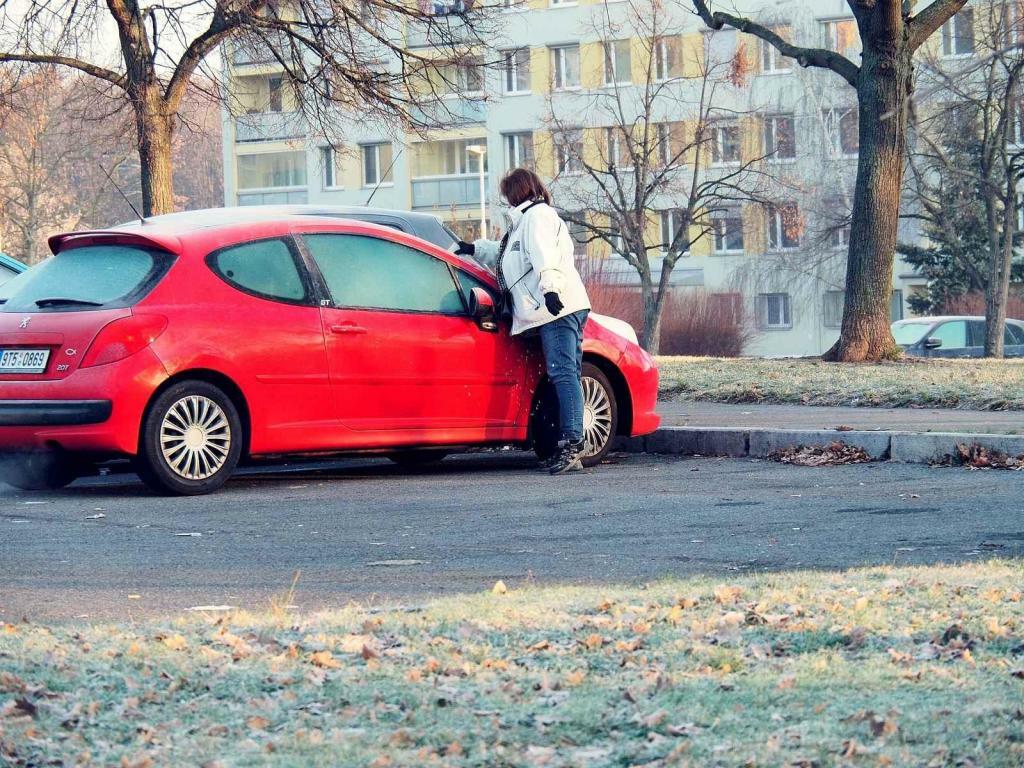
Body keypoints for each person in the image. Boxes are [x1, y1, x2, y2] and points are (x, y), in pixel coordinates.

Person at [455, 168, 592, 475]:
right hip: (550, 308)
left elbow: (544, 257)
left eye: (507, 193)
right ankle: (569, 444)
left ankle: (572, 443)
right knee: (563, 374)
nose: (505, 199)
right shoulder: (523, 221)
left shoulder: (537, 217)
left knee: (563, 373)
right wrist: (474, 249)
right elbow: (510, 257)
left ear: (516, 192)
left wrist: (551, 290)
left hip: (555, 308)